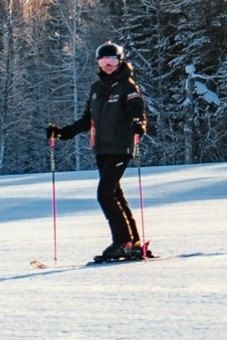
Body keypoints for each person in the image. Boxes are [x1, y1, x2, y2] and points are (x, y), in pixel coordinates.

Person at [46, 41, 153, 262]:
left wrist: (138, 123)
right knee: (115, 194)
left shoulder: (128, 86)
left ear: (120, 61)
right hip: (102, 149)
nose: (108, 65)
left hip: (120, 147)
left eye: (112, 60)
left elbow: (137, 109)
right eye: (104, 61)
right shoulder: (96, 89)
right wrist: (62, 133)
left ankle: (121, 241)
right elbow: (87, 120)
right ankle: (132, 243)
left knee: (104, 194)